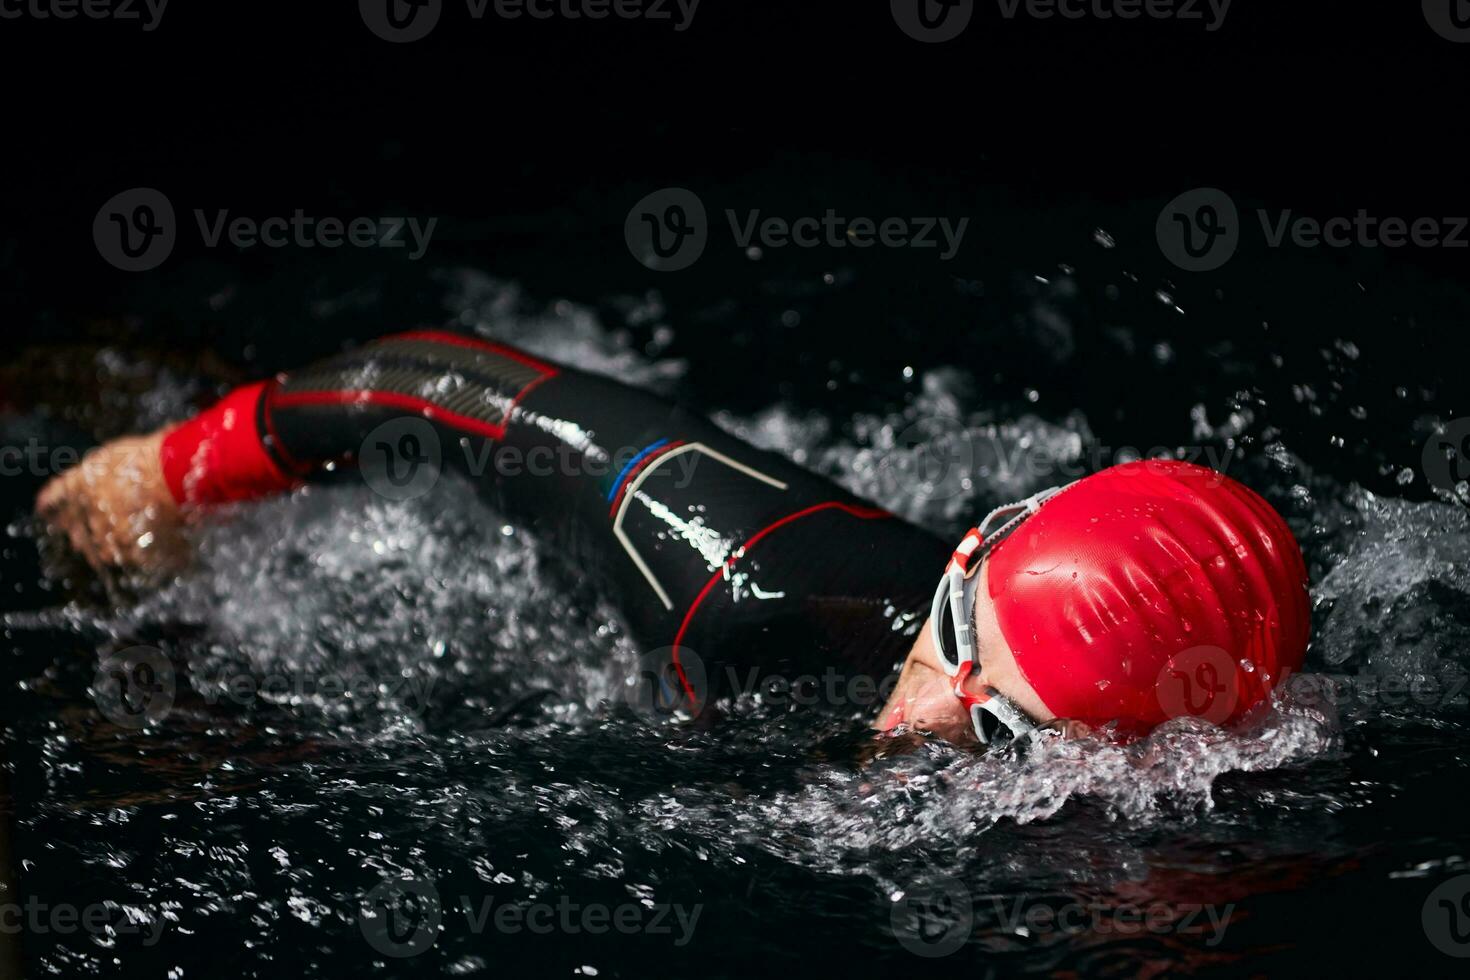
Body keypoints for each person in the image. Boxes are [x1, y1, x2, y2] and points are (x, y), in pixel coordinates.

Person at [35, 329, 1312, 744]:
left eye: (1000, 733)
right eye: (955, 638)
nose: (939, 705)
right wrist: (167, 470)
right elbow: (423, 382)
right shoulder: (743, 572)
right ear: (967, 553)